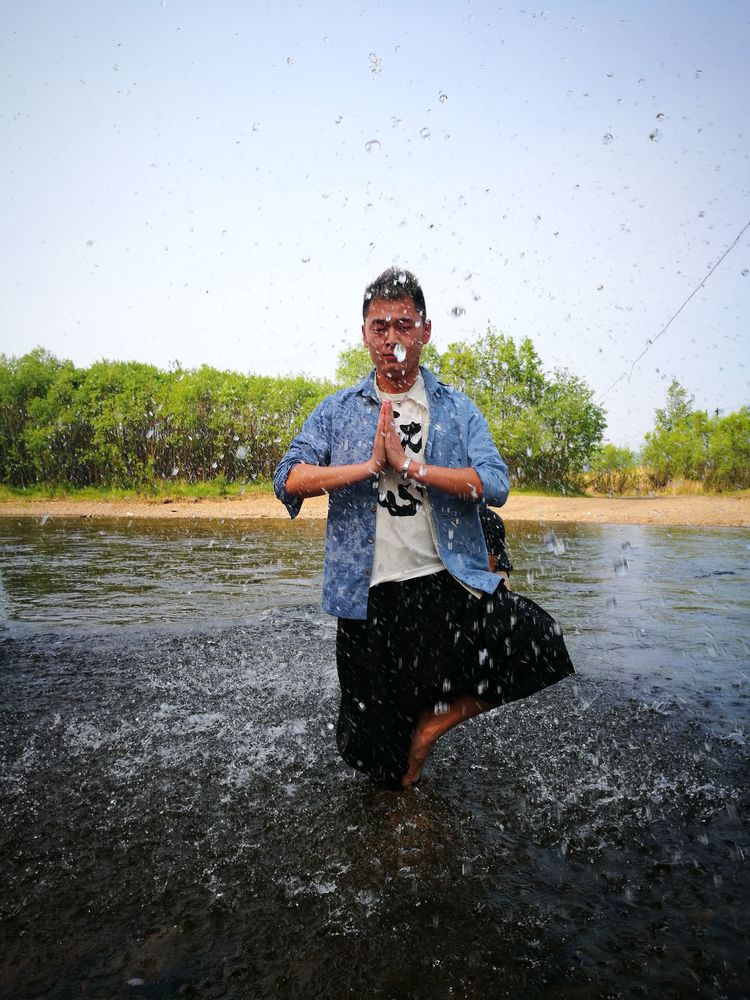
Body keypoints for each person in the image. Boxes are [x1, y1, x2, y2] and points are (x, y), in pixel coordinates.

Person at [274, 267, 573, 789]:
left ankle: (433, 728)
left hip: (443, 581)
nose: (393, 339)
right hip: (365, 594)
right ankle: (403, 828)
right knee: (374, 756)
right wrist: (368, 468)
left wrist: (411, 468)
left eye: (404, 325)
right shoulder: (337, 410)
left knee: (541, 643)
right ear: (364, 334)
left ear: (426, 331)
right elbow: (288, 478)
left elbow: (495, 484)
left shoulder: (455, 408)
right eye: (380, 326)